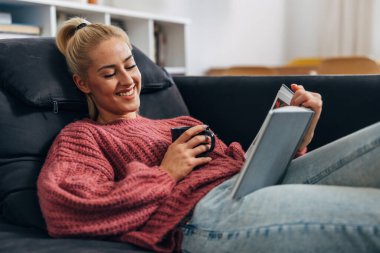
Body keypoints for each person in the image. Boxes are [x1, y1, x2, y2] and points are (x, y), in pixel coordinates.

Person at [37, 17, 380, 253]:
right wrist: (166, 173)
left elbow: (247, 168)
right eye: (109, 73)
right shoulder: (83, 136)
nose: (127, 80)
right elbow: (66, 210)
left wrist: (299, 134)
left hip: (252, 181)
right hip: (203, 215)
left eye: (129, 66)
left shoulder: (179, 120)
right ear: (84, 83)